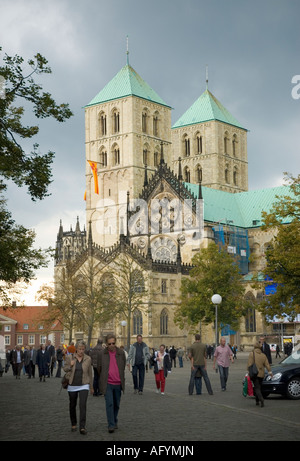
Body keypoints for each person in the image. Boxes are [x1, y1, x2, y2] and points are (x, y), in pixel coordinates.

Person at [63, 340, 93, 435]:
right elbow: (65, 369)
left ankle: (82, 427)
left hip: (84, 384)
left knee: (82, 405)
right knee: (72, 404)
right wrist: (70, 366)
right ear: (76, 349)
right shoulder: (69, 357)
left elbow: (90, 373)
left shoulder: (88, 359)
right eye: (79, 349)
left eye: (83, 349)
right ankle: (73, 423)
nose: (81, 351)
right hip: (72, 384)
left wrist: (91, 386)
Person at [98, 334, 126, 433]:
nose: (111, 345)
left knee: (116, 404)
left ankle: (114, 420)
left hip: (118, 383)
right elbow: (99, 368)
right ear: (106, 343)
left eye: (113, 343)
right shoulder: (102, 354)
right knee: (109, 403)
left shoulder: (121, 353)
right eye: (109, 343)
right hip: (108, 383)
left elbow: (123, 366)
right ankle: (111, 424)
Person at [247, 342, 273, 407]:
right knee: (259, 387)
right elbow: (267, 364)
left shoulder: (252, 354)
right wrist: (270, 372)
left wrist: (248, 371)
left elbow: (249, 364)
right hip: (261, 373)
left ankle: (261, 399)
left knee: (256, 387)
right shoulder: (263, 355)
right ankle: (257, 401)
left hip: (254, 373)